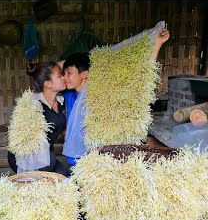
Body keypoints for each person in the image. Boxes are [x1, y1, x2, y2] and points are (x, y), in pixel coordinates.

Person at [61, 28, 171, 166]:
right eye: (63, 73)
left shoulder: (102, 96)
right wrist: (85, 58)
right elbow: (50, 69)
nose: (64, 77)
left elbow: (142, 79)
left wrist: (156, 44)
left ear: (85, 74)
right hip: (72, 158)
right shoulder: (68, 94)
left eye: (69, 73)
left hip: (94, 160)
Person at [7, 61, 71, 177]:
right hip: (26, 158)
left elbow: (60, 127)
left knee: (65, 176)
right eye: (59, 76)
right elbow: (25, 142)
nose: (64, 78)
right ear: (48, 84)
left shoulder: (61, 101)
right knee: (52, 172)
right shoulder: (32, 105)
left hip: (47, 156)